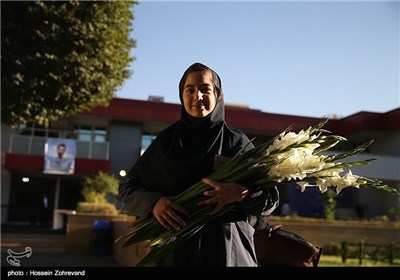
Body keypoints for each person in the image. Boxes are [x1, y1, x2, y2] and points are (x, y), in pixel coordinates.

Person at [119, 62, 279, 267]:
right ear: (181, 96)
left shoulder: (237, 142)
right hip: (174, 253)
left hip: (228, 252)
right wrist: (154, 204)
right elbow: (128, 187)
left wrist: (240, 194)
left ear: (218, 94)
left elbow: (271, 199)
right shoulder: (166, 143)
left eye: (205, 89)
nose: (198, 96)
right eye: (190, 90)